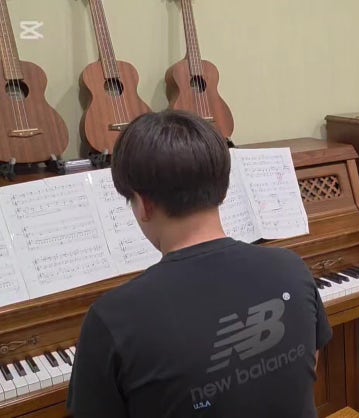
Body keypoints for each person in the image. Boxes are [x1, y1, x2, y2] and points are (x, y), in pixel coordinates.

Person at [67, 110, 332, 417]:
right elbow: (304, 372)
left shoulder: (112, 318)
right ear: (224, 189)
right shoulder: (292, 268)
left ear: (144, 204)